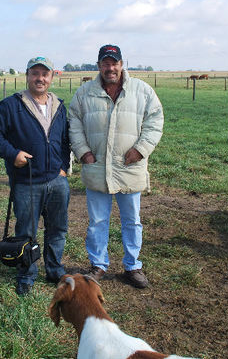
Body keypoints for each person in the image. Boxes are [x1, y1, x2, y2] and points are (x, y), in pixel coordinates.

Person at [69, 44, 164, 288]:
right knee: (97, 221)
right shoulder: (84, 93)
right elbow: (74, 123)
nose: (110, 68)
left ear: (122, 64)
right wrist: (83, 152)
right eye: (105, 63)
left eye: (114, 63)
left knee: (132, 220)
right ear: (99, 65)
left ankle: (133, 267)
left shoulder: (141, 91)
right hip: (97, 167)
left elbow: (155, 121)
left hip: (129, 168)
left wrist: (141, 150)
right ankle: (98, 265)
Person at [0, 56, 71, 296]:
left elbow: (65, 140)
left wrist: (63, 167)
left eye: (45, 74)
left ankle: (54, 269)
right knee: (26, 231)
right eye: (35, 73)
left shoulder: (59, 106)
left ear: (51, 77)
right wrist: (13, 154)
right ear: (27, 76)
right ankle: (26, 275)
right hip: (27, 182)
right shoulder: (12, 105)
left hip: (57, 181)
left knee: (58, 229)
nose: (40, 78)